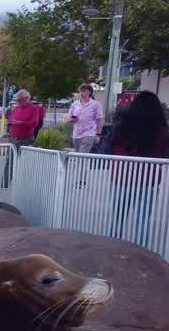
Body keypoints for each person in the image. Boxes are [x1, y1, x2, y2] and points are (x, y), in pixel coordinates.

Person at [102, 91, 167, 246]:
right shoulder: (161, 130)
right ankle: (140, 255)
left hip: (121, 178)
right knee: (142, 223)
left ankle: (112, 250)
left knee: (117, 219)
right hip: (148, 181)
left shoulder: (121, 126)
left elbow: (107, 148)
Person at [2, 89, 45, 188]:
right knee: (9, 161)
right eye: (17, 100)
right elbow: (12, 119)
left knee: (25, 163)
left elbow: (35, 123)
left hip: (26, 139)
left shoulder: (34, 108)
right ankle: (5, 184)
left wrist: (19, 123)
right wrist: (10, 122)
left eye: (19, 100)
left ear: (26, 98)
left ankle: (24, 185)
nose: (17, 102)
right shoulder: (16, 108)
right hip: (13, 139)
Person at [68, 84, 104, 153]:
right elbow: (69, 119)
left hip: (89, 133)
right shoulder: (75, 104)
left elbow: (100, 120)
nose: (81, 93)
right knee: (78, 155)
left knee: (82, 154)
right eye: (80, 91)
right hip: (76, 134)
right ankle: (83, 164)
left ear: (89, 92)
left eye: (84, 91)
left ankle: (82, 163)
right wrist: (73, 119)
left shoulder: (95, 104)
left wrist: (98, 134)